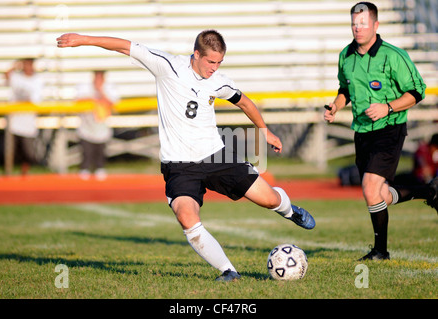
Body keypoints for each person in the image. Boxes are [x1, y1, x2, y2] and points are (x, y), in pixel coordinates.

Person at [57, 30, 315, 281]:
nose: (214, 67)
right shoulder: (168, 65)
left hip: (216, 156)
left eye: (219, 62)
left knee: (269, 200)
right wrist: (83, 40)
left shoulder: (218, 81)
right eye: (211, 61)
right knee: (186, 216)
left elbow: (245, 102)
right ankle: (229, 271)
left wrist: (264, 131)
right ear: (196, 54)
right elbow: (125, 46)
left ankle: (290, 211)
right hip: (179, 165)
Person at [323, 2, 437, 261]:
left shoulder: (393, 55)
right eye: (354, 22)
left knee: (370, 187)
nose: (358, 27)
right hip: (361, 132)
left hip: (390, 129)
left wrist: (388, 107)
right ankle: (430, 192)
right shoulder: (345, 56)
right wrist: (335, 106)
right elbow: (344, 90)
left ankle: (380, 251)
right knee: (380, 194)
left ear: (375, 25)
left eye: (363, 23)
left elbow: (417, 91)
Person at [76, 70, 119, 180]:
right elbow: (78, 101)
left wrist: (100, 91)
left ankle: (99, 168)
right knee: (86, 152)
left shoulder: (109, 88)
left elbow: (113, 103)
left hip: (102, 127)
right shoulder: (85, 87)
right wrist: (93, 99)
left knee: (100, 152)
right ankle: (84, 169)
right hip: (86, 127)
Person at [4, 58, 43, 175]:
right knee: (12, 151)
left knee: (28, 152)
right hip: (14, 121)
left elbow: (36, 101)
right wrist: (15, 65)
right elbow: (6, 75)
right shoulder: (17, 77)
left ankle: (24, 173)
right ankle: (9, 171)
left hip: (28, 122)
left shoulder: (37, 80)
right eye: (25, 64)